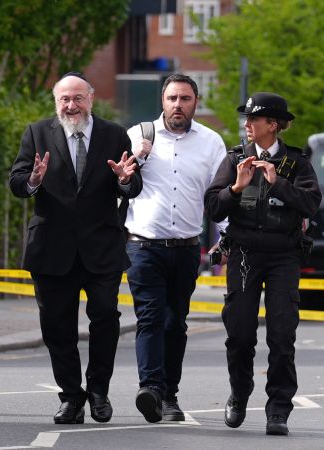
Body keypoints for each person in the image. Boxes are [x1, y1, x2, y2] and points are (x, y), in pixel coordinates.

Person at [9, 72, 142, 424]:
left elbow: (133, 184)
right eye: (64, 99)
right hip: (52, 247)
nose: (71, 106)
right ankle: (71, 397)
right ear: (56, 102)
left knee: (106, 318)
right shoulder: (37, 133)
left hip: (102, 246)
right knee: (57, 326)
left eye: (78, 98)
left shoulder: (115, 135)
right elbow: (16, 182)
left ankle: (98, 391)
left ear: (91, 99)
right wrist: (33, 180)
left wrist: (125, 180)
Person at [204, 92, 321, 436]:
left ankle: (278, 409)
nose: (248, 124)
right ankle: (239, 394)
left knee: (282, 335)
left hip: (284, 255)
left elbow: (311, 203)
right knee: (240, 334)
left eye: (254, 119)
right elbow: (212, 208)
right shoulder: (235, 159)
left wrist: (278, 183)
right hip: (244, 254)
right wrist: (235, 188)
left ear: (273, 124)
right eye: (247, 118)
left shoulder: (296, 163)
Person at [124, 74, 227, 423]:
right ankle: (151, 388)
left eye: (185, 98)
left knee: (175, 323)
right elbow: (120, 185)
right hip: (143, 245)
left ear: (196, 102)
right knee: (150, 317)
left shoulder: (211, 143)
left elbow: (220, 196)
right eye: (172, 98)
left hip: (186, 248)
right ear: (162, 101)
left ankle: (169, 395)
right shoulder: (138, 135)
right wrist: (136, 160)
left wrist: (225, 237)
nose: (178, 105)